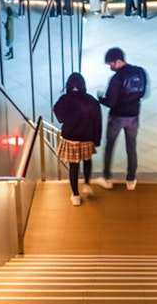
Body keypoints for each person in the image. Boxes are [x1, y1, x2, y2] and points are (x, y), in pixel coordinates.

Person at [97, 47, 148, 190]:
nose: (111, 67)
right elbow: (143, 93)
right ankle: (131, 180)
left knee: (109, 146)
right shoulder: (140, 72)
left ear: (118, 61)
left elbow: (111, 102)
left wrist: (101, 98)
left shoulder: (116, 79)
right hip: (133, 117)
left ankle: (107, 178)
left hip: (117, 117)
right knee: (131, 147)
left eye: (111, 64)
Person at [52, 73, 102, 206]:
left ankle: (75, 195)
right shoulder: (91, 100)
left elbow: (60, 117)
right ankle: (86, 184)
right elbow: (97, 121)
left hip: (71, 139)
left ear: (68, 85)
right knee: (87, 161)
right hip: (87, 137)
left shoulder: (65, 99)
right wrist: (97, 139)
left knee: (73, 167)